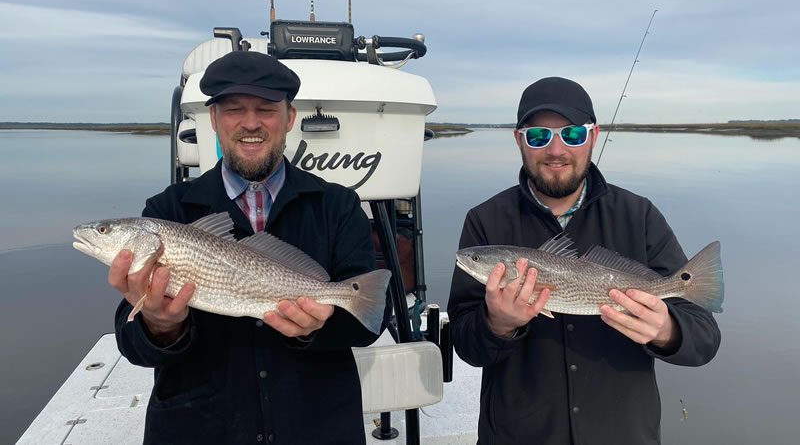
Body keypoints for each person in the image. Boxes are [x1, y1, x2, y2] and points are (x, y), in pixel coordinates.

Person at [109, 51, 391, 444]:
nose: (251, 123)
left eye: (266, 109)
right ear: (213, 119)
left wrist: (315, 328)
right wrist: (159, 326)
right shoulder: (167, 211)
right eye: (234, 109)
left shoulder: (339, 205)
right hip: (200, 429)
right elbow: (132, 343)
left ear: (289, 117)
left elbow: (368, 320)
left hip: (315, 428)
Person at [447, 76, 721, 445]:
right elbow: (466, 346)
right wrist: (497, 323)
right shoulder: (485, 220)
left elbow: (704, 337)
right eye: (539, 136)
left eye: (572, 135)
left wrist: (666, 330)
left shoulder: (638, 216)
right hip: (518, 435)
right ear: (519, 140)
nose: (556, 150)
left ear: (592, 136)